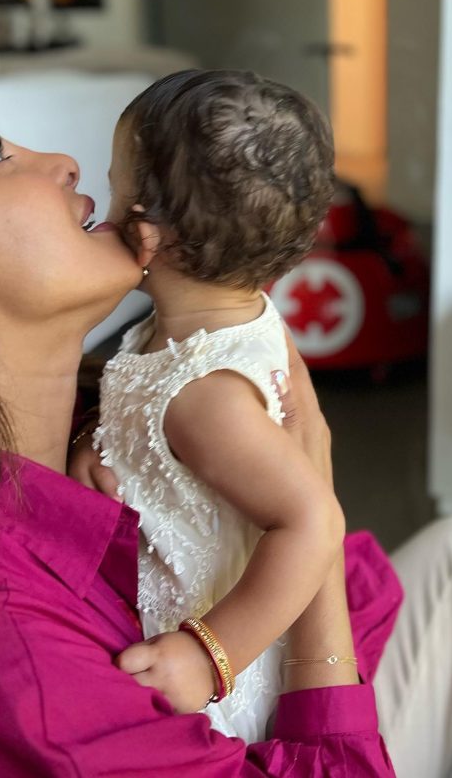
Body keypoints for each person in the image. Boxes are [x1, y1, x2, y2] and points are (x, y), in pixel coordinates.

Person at [0, 110, 452, 777]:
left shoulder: (108, 402)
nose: (63, 161)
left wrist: (97, 441)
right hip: (261, 725)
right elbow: (306, 524)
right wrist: (313, 490)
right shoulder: (10, 649)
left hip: (241, 648)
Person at [69, 70, 346, 744]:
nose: (102, 210)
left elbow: (312, 521)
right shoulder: (214, 319)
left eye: (115, 188)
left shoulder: (204, 394)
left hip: (211, 671)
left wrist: (209, 653)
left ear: (149, 235)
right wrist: (101, 446)